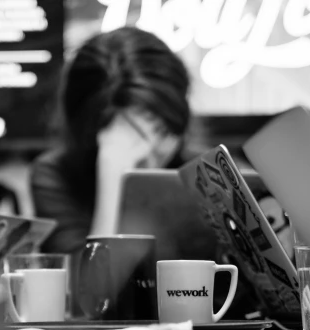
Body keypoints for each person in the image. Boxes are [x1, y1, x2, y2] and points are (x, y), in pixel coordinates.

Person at [31, 27, 191, 254]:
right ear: (89, 131)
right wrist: (112, 172)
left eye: (162, 131)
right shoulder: (55, 175)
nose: (149, 150)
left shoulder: (203, 175)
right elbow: (90, 286)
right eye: (134, 137)